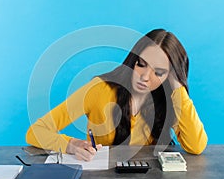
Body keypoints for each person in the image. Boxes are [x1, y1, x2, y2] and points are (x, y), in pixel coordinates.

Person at [26, 29, 208, 161]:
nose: (144, 77)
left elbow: (196, 146)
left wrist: (177, 88)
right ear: (133, 60)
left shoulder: (172, 99)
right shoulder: (98, 90)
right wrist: (70, 145)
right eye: (141, 64)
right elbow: (36, 131)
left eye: (158, 72)